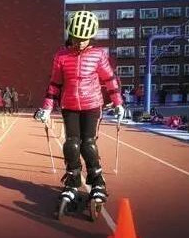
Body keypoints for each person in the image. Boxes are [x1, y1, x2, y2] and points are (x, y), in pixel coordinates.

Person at [34, 11, 124, 206]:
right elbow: (55, 83)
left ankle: (97, 181)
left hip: (92, 105)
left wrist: (118, 103)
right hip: (69, 105)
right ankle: (73, 182)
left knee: (88, 144)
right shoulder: (61, 56)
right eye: (77, 37)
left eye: (85, 38)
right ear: (70, 35)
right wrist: (47, 108)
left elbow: (110, 79)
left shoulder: (98, 55)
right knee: (71, 144)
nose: (81, 42)